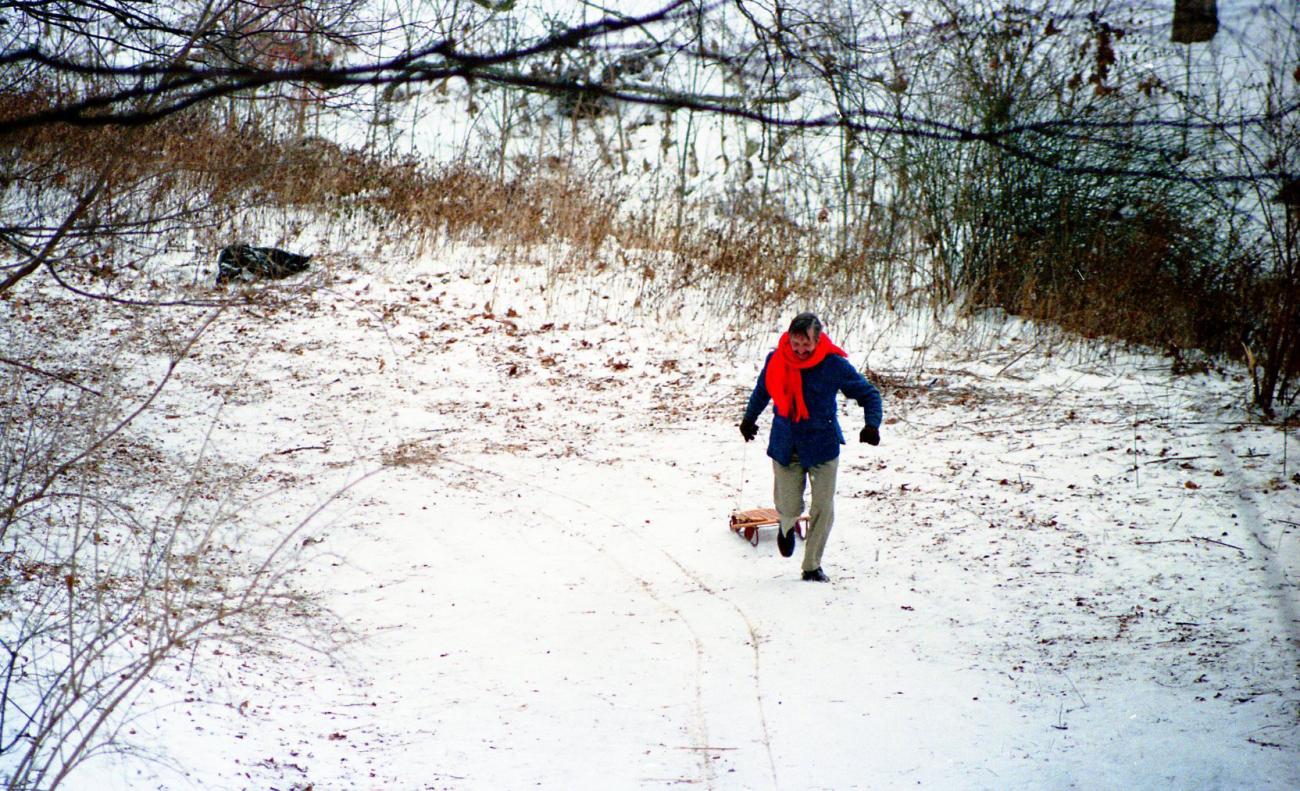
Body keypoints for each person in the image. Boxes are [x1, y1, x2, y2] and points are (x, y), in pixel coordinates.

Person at [739, 312, 882, 582]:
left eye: (807, 345)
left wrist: (871, 425)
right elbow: (761, 391)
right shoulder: (776, 360)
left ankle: (811, 565)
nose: (801, 350)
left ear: (818, 341)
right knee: (789, 506)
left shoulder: (833, 364)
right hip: (786, 444)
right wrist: (748, 419)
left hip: (822, 445)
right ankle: (786, 527)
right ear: (789, 339)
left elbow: (868, 394)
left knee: (823, 507)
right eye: (796, 344)